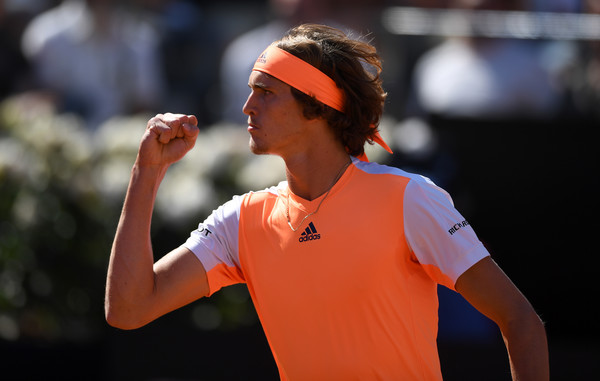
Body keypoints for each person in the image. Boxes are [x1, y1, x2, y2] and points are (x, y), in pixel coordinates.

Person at [105, 24, 549, 380]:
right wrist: (147, 174)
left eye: (265, 91)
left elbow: (520, 322)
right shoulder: (240, 220)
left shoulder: (409, 199)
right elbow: (128, 309)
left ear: (315, 107)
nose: (246, 107)